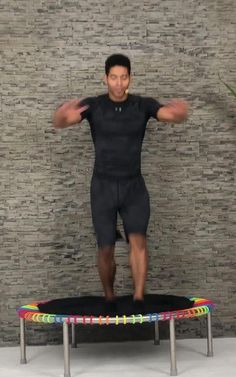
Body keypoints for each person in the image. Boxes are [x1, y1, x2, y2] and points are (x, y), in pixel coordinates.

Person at [53, 53, 189, 310]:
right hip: (102, 187)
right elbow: (63, 122)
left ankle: (139, 298)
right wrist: (60, 116)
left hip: (133, 187)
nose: (118, 83)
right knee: (105, 248)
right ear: (106, 78)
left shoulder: (143, 105)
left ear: (130, 78)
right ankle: (109, 297)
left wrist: (180, 115)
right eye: (113, 77)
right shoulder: (93, 105)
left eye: (123, 77)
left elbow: (169, 115)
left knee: (138, 241)